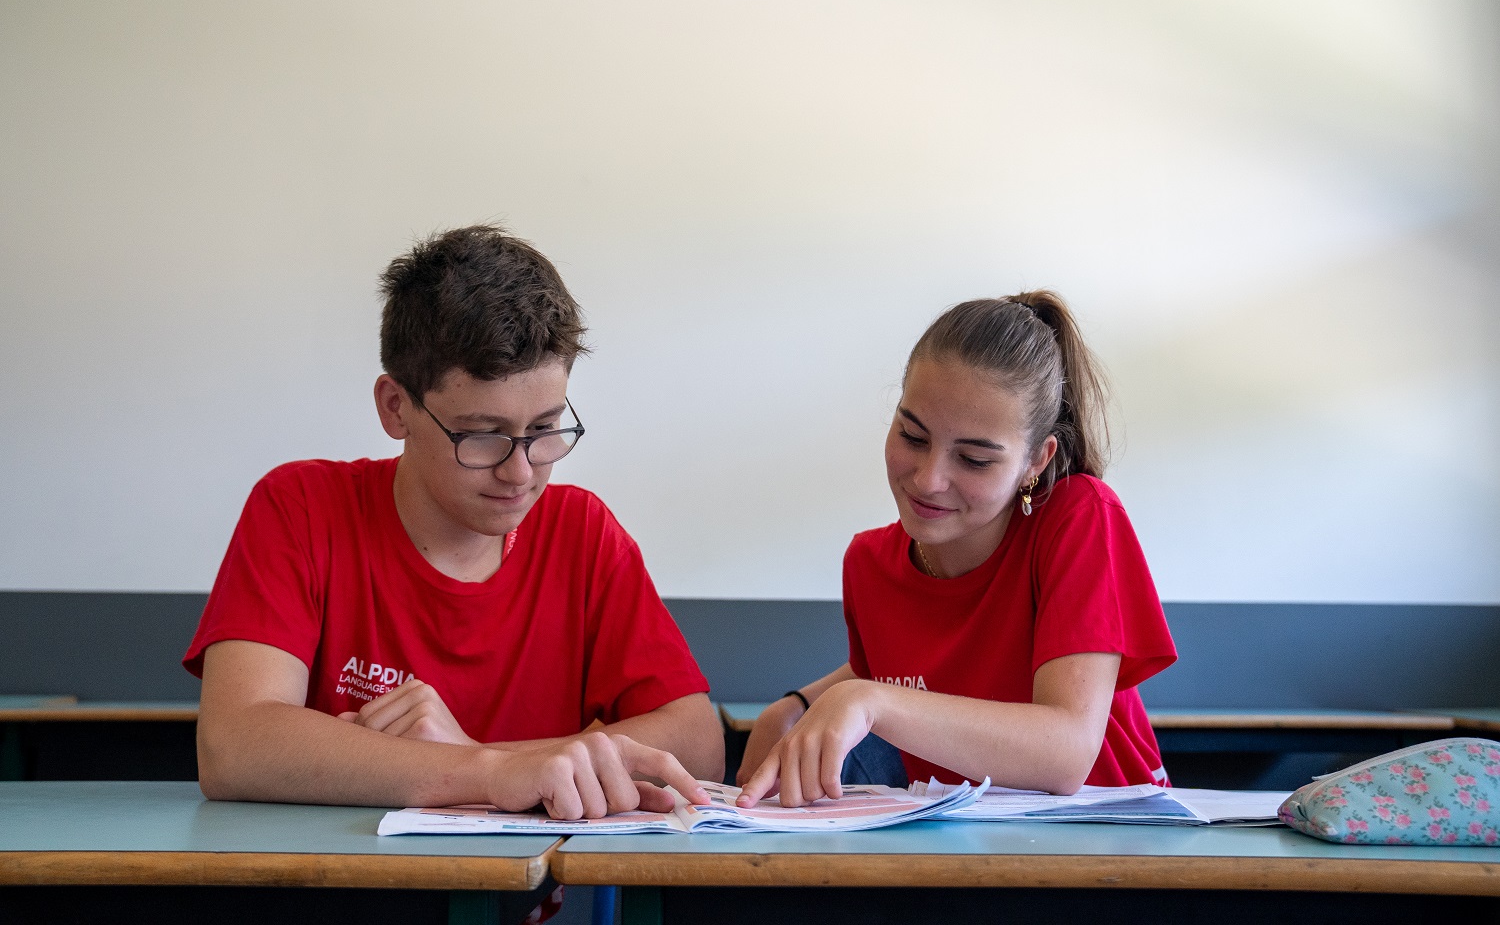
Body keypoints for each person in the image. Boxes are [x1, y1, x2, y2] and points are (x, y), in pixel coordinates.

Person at [185, 224, 722, 819]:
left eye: (545, 429)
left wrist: (475, 759)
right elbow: (234, 746)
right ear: (396, 408)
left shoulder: (584, 533)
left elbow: (698, 743)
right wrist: (492, 773)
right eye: (483, 435)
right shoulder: (301, 507)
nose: (520, 472)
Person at [737, 291, 1176, 807]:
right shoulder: (869, 563)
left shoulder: (1079, 515)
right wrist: (797, 705)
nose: (929, 479)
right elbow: (909, 664)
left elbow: (1067, 753)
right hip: (963, 839)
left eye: (974, 459)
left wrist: (868, 700)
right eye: (912, 436)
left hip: (1116, 837)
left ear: (1036, 461)